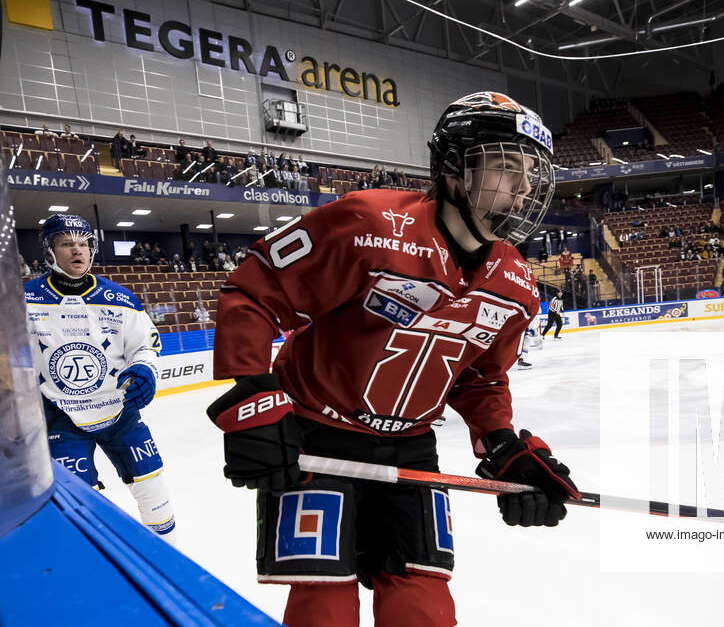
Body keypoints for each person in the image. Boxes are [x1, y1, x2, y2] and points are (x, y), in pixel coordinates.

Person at [205, 91, 577, 627]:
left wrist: (503, 447)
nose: (522, 189)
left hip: (411, 449)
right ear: (455, 169)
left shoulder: (516, 282)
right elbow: (256, 288)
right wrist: (253, 396)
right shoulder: (370, 223)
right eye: (505, 166)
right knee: (323, 608)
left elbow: (479, 376)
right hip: (316, 437)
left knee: (421, 605)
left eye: (529, 173)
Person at [23, 214, 175, 544]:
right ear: (50, 251)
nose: (77, 251)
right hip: (60, 419)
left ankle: (173, 563)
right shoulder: (24, 300)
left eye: (83, 243)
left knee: (155, 494)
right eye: (66, 244)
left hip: (120, 415)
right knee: (78, 507)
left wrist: (146, 370)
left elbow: (145, 347)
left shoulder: (120, 299)